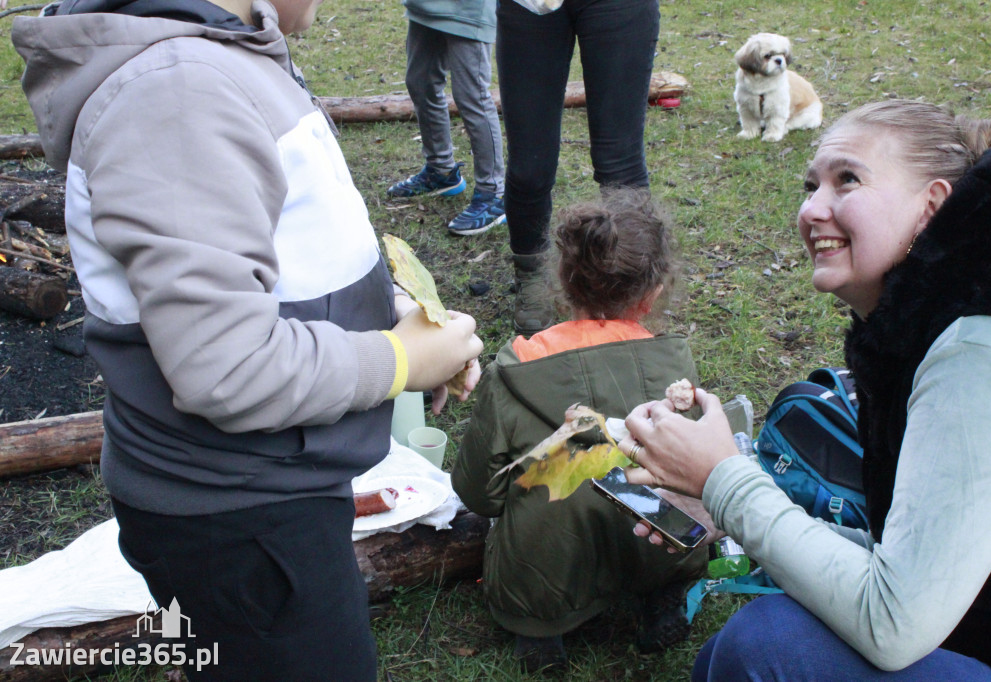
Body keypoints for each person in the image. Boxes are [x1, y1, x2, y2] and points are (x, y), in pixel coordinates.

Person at [12, 0, 483, 678]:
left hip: (260, 495)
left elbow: (263, 258)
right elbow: (223, 365)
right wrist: (400, 358)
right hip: (242, 518)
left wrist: (391, 320)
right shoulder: (176, 92)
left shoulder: (211, 58)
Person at [619, 100, 991, 680]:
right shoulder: (924, 325)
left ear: (931, 206)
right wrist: (721, 506)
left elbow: (894, 623)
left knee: (765, 645)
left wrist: (725, 479)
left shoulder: (977, 352)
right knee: (721, 659)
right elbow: (913, 557)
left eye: (848, 180)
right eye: (811, 186)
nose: (812, 209)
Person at [452, 189, 713, 672]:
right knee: (672, 529)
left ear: (564, 281)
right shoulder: (676, 369)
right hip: (654, 542)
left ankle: (541, 634)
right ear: (654, 293)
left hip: (546, 568)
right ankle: (660, 599)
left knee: (538, 545)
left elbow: (478, 493)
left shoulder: (515, 372)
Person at [495, 0, 660, 335]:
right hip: (528, 7)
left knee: (620, 164)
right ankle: (531, 275)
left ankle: (631, 285)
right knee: (529, 167)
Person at [385, 0, 506, 236]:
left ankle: (492, 192)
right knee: (421, 83)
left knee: (472, 97)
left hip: (467, 11)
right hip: (425, 6)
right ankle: (441, 171)